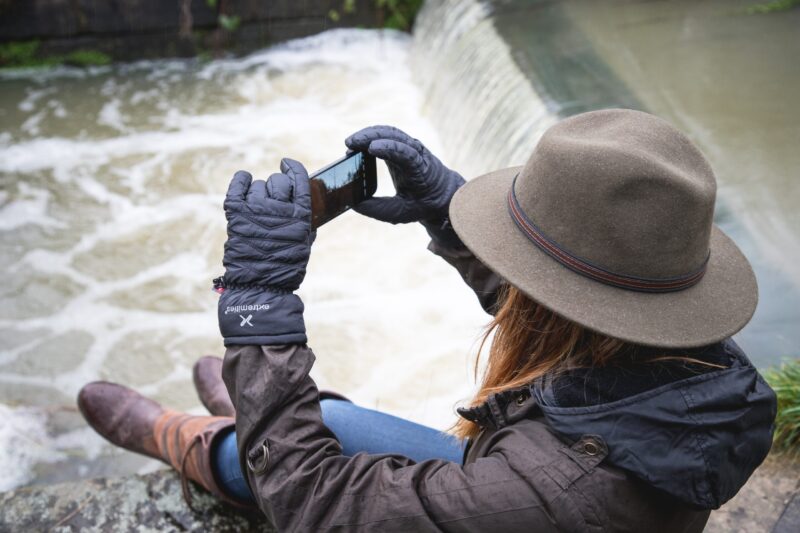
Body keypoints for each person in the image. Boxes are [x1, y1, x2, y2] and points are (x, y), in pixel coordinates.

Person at [78, 109, 777, 532]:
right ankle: (255, 412)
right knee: (335, 424)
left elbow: (318, 507)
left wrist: (259, 305)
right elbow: (569, 324)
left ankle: (193, 440)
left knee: (278, 456)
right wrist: (445, 206)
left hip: (535, 506)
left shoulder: (543, 497)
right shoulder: (697, 359)